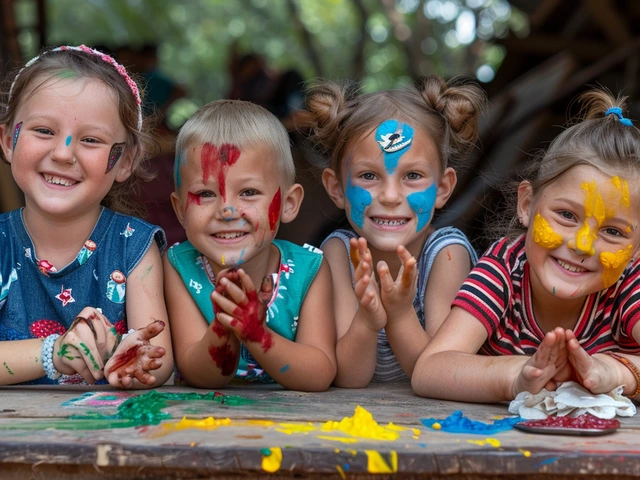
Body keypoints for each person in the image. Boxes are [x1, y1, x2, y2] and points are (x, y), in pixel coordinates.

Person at [412, 89, 640, 403]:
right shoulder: (505, 268)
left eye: (613, 231)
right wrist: (518, 377)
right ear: (527, 204)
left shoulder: (630, 281)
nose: (583, 245)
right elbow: (430, 370)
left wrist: (617, 373)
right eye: (566, 215)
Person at [0, 45, 173, 387]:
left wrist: (132, 364)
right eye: (43, 131)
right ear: (8, 139)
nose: (63, 153)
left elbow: (157, 359)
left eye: (91, 140)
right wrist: (54, 353)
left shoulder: (135, 249)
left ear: (125, 160)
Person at [295, 76, 486, 387]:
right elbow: (348, 377)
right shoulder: (339, 253)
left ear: (443, 188)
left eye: (412, 175)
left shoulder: (447, 254)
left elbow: (439, 371)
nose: (390, 196)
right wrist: (367, 322)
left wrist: (399, 315)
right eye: (369, 175)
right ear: (336, 188)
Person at [164, 99, 336, 390]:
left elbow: (319, 374)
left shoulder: (309, 271)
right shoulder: (178, 267)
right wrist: (225, 328)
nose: (227, 211)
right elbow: (199, 375)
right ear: (181, 210)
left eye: (249, 192)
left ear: (289, 203)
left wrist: (258, 334)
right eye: (205, 194)